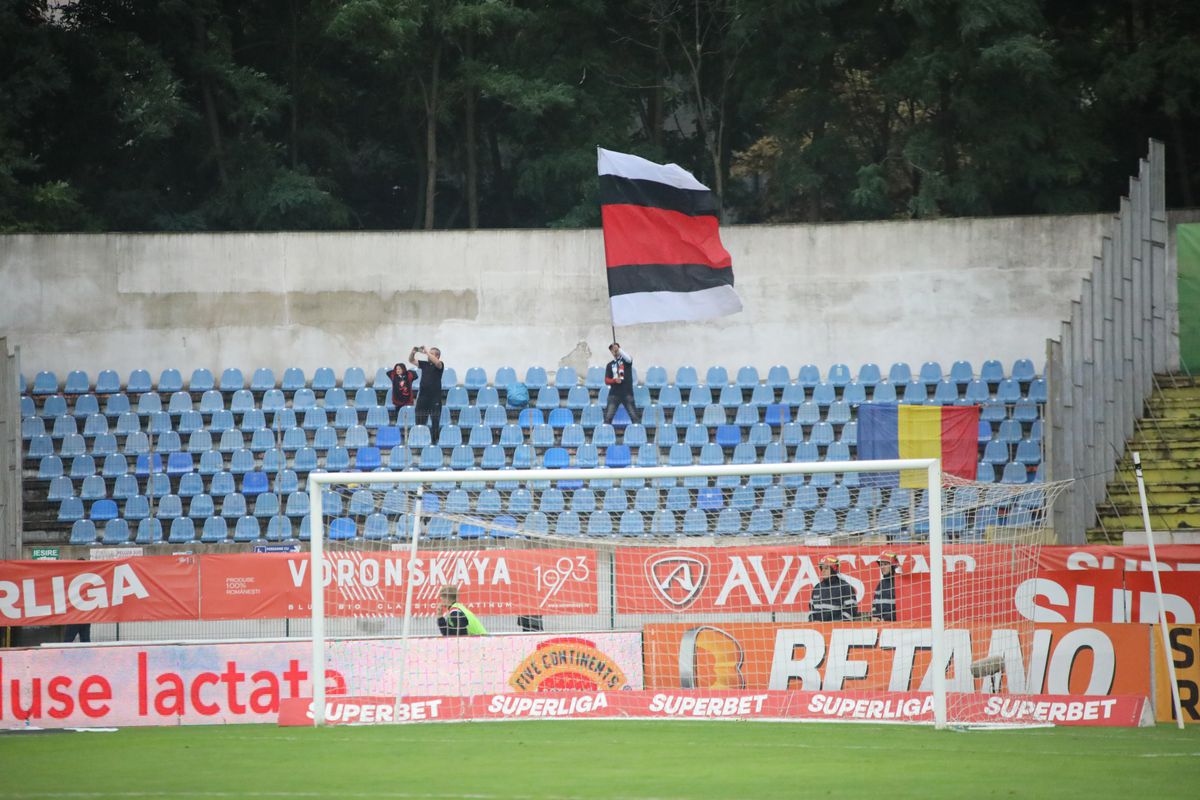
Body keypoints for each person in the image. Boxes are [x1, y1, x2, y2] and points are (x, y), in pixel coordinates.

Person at [409, 345, 445, 442]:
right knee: (419, 421)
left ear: (437, 356)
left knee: (435, 422)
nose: (429, 356)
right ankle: (420, 441)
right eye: (429, 354)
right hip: (422, 398)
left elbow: (437, 363)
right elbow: (411, 360)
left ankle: (434, 442)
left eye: (432, 354)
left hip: (435, 399)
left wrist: (426, 352)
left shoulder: (440, 365)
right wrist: (413, 352)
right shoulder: (424, 364)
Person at [808, 555, 859, 622]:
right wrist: (813, 620)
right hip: (819, 629)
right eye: (822, 568)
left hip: (838, 630)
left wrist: (835, 624)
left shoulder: (845, 587)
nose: (823, 571)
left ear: (834, 569)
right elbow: (812, 609)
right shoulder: (817, 588)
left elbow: (851, 611)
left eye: (826, 568)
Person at [602, 342, 639, 425]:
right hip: (614, 394)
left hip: (627, 393)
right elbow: (607, 380)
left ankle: (637, 436)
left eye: (615, 348)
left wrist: (619, 350)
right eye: (612, 349)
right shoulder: (609, 365)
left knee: (634, 418)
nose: (614, 351)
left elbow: (629, 359)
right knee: (607, 418)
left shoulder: (626, 362)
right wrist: (614, 380)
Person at [870, 551, 899, 621]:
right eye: (881, 565)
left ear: (893, 566)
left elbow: (901, 609)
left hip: (894, 625)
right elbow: (874, 604)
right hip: (880, 623)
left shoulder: (898, 583)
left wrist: (885, 619)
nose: (882, 567)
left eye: (885, 564)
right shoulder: (881, 583)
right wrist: (874, 616)